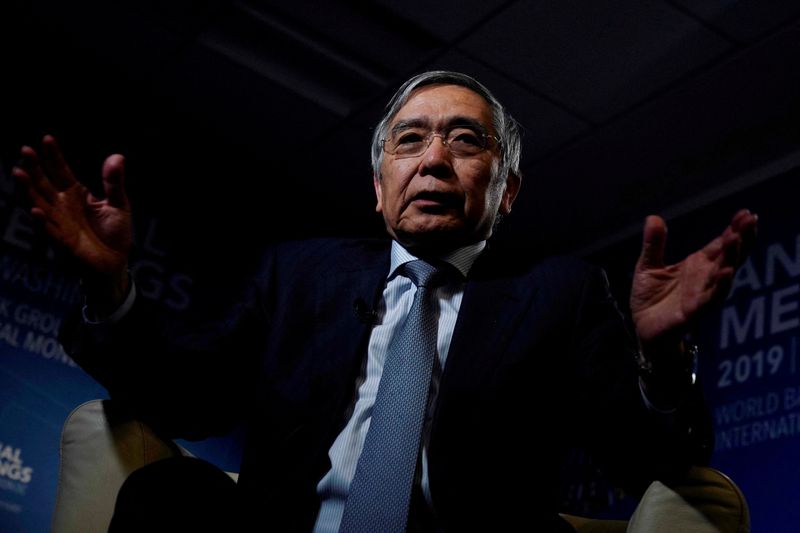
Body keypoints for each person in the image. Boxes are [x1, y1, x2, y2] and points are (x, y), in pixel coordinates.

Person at [13, 70, 757, 532]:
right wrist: (110, 284)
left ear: (507, 193)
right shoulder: (298, 274)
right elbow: (191, 396)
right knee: (170, 492)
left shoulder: (557, 296)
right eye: (410, 140)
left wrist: (659, 357)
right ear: (378, 188)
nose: (434, 158)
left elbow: (649, 457)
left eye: (466, 140)